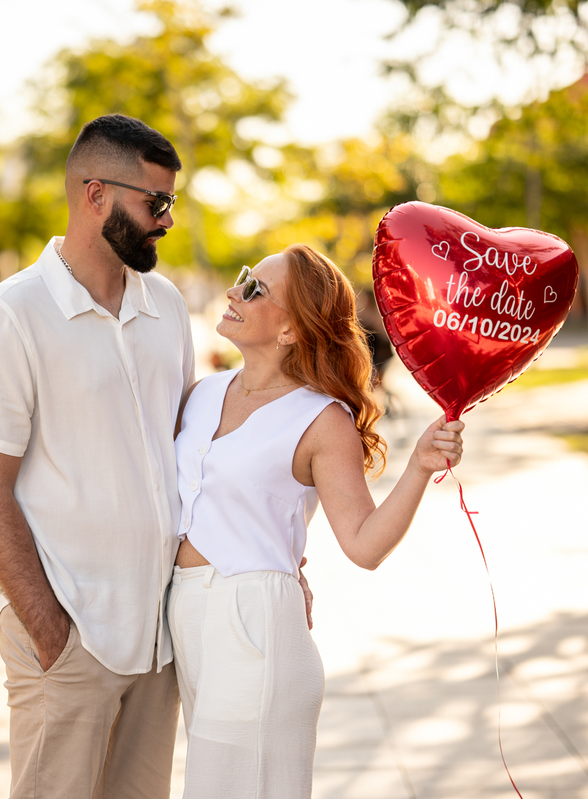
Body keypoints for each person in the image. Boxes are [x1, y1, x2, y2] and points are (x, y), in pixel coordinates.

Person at [0, 114, 194, 799]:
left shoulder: (169, 307)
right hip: (67, 638)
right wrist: (50, 631)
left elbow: (185, 448)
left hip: (157, 640)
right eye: (155, 202)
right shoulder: (12, 315)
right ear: (95, 195)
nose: (166, 221)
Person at [168, 244, 465, 798]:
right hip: (187, 616)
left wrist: (420, 466)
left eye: (256, 289)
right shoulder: (203, 395)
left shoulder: (320, 419)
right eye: (242, 279)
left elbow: (364, 544)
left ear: (289, 330)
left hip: (253, 622)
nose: (234, 293)